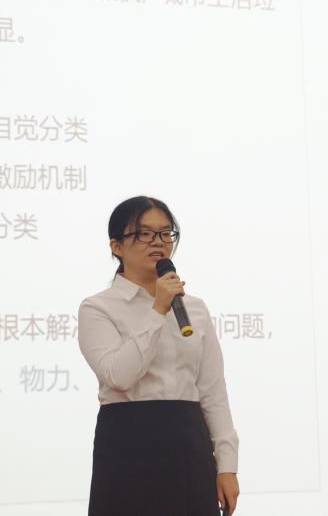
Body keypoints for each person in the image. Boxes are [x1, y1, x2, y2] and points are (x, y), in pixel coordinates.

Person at [78, 196, 239, 515]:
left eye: (166, 233)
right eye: (144, 233)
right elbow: (119, 376)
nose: (158, 242)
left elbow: (212, 390)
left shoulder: (194, 308)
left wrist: (227, 465)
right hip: (127, 444)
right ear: (116, 246)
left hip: (189, 443)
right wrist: (158, 310)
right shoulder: (97, 308)